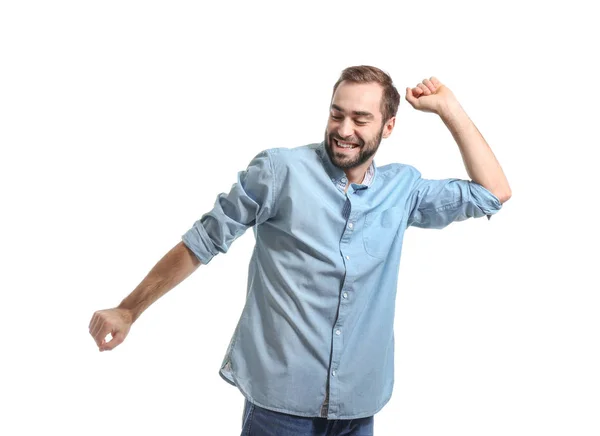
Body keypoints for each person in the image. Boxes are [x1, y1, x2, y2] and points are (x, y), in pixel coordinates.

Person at [89, 65, 511, 435]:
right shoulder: (280, 171)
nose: (344, 130)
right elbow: (202, 242)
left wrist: (449, 109)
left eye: (361, 118)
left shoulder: (402, 190)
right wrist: (129, 309)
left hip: (358, 407)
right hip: (279, 408)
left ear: (388, 126)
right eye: (336, 114)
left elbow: (494, 193)